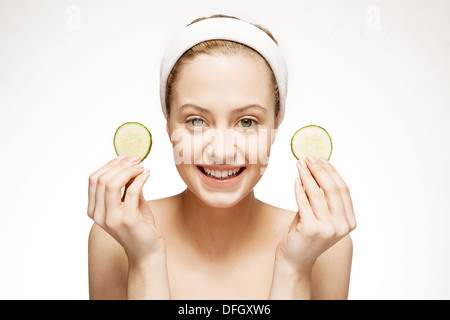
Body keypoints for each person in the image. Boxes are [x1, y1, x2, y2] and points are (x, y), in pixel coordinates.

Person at [87, 14, 356, 300]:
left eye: (247, 122)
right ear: (168, 126)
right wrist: (146, 261)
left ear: (275, 127)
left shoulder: (324, 245)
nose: (221, 152)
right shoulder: (117, 237)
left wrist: (294, 269)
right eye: (196, 121)